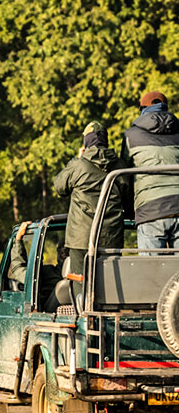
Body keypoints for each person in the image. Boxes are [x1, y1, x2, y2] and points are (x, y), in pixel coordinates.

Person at [54, 121, 128, 278]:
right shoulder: (120, 166)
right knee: (110, 283)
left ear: (86, 141)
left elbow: (59, 186)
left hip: (80, 239)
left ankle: (82, 303)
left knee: (80, 282)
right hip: (111, 237)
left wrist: (79, 158)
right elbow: (128, 198)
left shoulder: (78, 165)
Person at [121, 90, 179, 250]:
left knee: (151, 273)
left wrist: (129, 211)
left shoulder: (131, 136)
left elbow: (124, 177)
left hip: (150, 210)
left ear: (142, 109)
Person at [10, 221, 69, 312]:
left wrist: (18, 239)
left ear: (60, 255)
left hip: (48, 319)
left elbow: (19, 271)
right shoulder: (92, 277)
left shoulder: (47, 273)